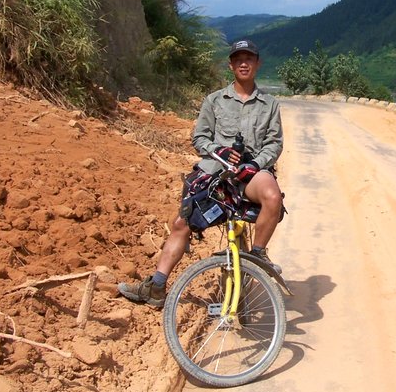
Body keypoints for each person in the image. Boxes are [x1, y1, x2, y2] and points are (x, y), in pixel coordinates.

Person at [118, 39, 284, 308]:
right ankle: (156, 286)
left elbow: (274, 143)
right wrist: (219, 150)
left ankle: (257, 257)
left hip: (251, 173)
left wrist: (254, 164)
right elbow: (200, 137)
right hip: (216, 173)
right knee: (182, 222)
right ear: (231, 65)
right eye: (238, 59)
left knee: (272, 196)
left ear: (257, 63)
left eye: (249, 58)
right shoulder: (214, 100)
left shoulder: (269, 104)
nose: (244, 63)